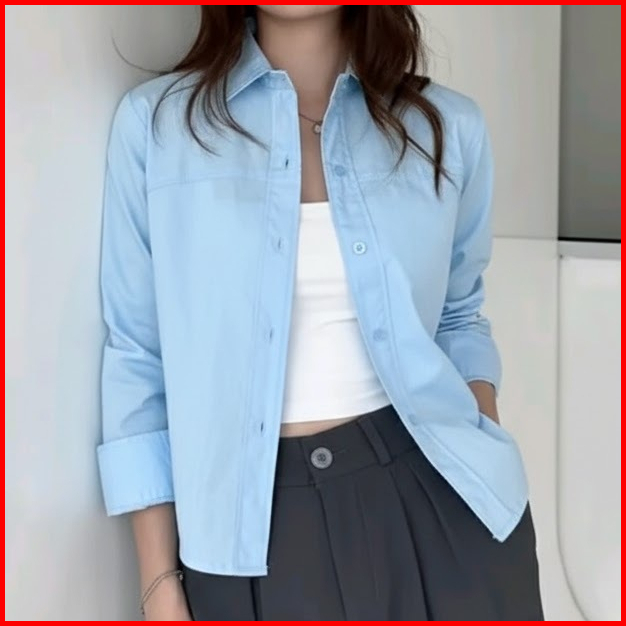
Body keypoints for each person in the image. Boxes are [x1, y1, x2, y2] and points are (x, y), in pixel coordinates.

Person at [96, 5, 544, 621]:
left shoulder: (446, 126)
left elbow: (459, 316)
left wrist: (478, 449)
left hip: (445, 509)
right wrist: (158, 582)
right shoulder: (158, 126)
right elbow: (137, 355)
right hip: (247, 540)